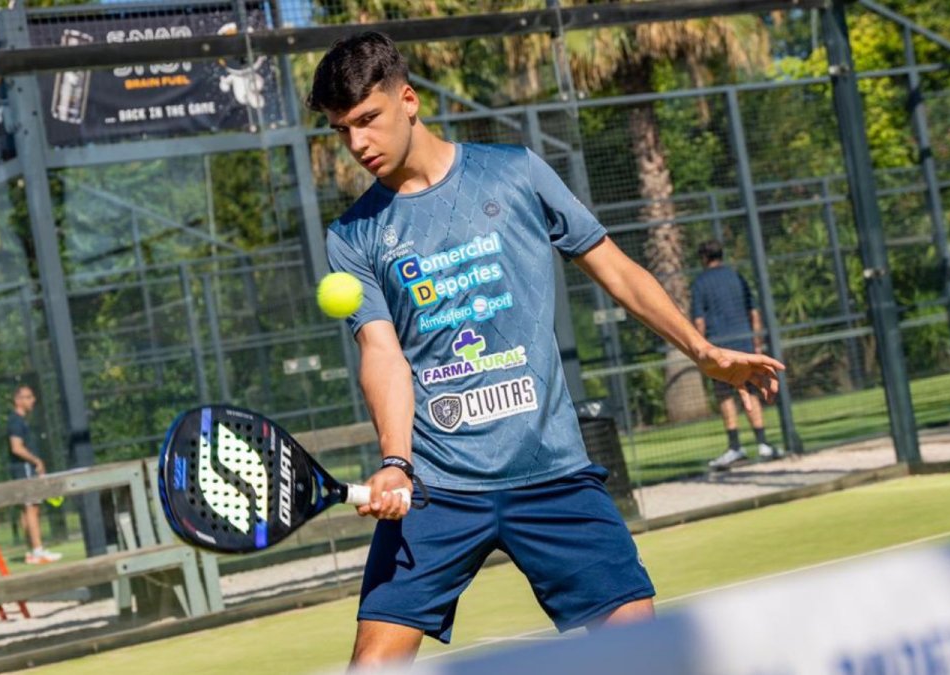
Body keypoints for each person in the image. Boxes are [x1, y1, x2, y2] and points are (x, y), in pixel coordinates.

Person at [311, 32, 784, 668]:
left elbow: (616, 271)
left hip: (552, 472)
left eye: (368, 119)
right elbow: (382, 354)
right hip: (437, 488)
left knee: (641, 652)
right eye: (342, 130)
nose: (357, 143)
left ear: (409, 100)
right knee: (373, 665)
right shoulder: (352, 236)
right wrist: (396, 461)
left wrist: (703, 353)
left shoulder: (516, 172)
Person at [691, 239, 781, 469]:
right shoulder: (736, 277)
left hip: (719, 349)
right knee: (751, 391)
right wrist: (756, 344)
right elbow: (754, 313)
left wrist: (700, 351)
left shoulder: (700, 283)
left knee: (725, 396)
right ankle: (762, 443)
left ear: (704, 258)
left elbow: (699, 322)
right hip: (744, 346)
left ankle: (735, 447)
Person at [7, 384, 62, 565]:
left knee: (27, 509)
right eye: (28, 397)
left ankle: (32, 551)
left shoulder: (20, 421)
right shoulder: (16, 421)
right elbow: (16, 448)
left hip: (24, 469)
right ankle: (38, 551)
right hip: (25, 469)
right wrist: (36, 461)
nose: (33, 400)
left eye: (32, 396)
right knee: (32, 508)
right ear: (18, 400)